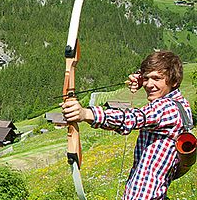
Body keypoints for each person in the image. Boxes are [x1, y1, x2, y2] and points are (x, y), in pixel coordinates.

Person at [61, 50, 192, 200]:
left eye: (157, 78)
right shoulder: (181, 104)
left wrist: (86, 114)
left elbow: (134, 118)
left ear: (174, 81)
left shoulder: (167, 109)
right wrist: (140, 77)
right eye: (146, 78)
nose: (149, 84)